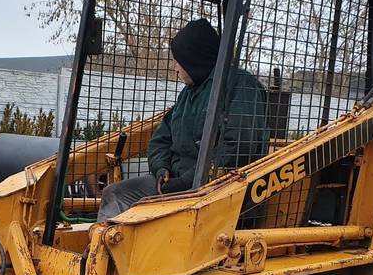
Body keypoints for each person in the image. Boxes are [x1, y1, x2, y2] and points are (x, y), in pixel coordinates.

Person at [97, 18, 269, 221]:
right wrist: (161, 169)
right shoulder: (187, 94)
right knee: (115, 194)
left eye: (178, 61)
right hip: (175, 183)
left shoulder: (240, 86)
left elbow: (240, 147)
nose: (175, 68)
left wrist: (189, 181)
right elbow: (160, 140)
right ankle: (108, 241)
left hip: (215, 190)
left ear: (194, 59)